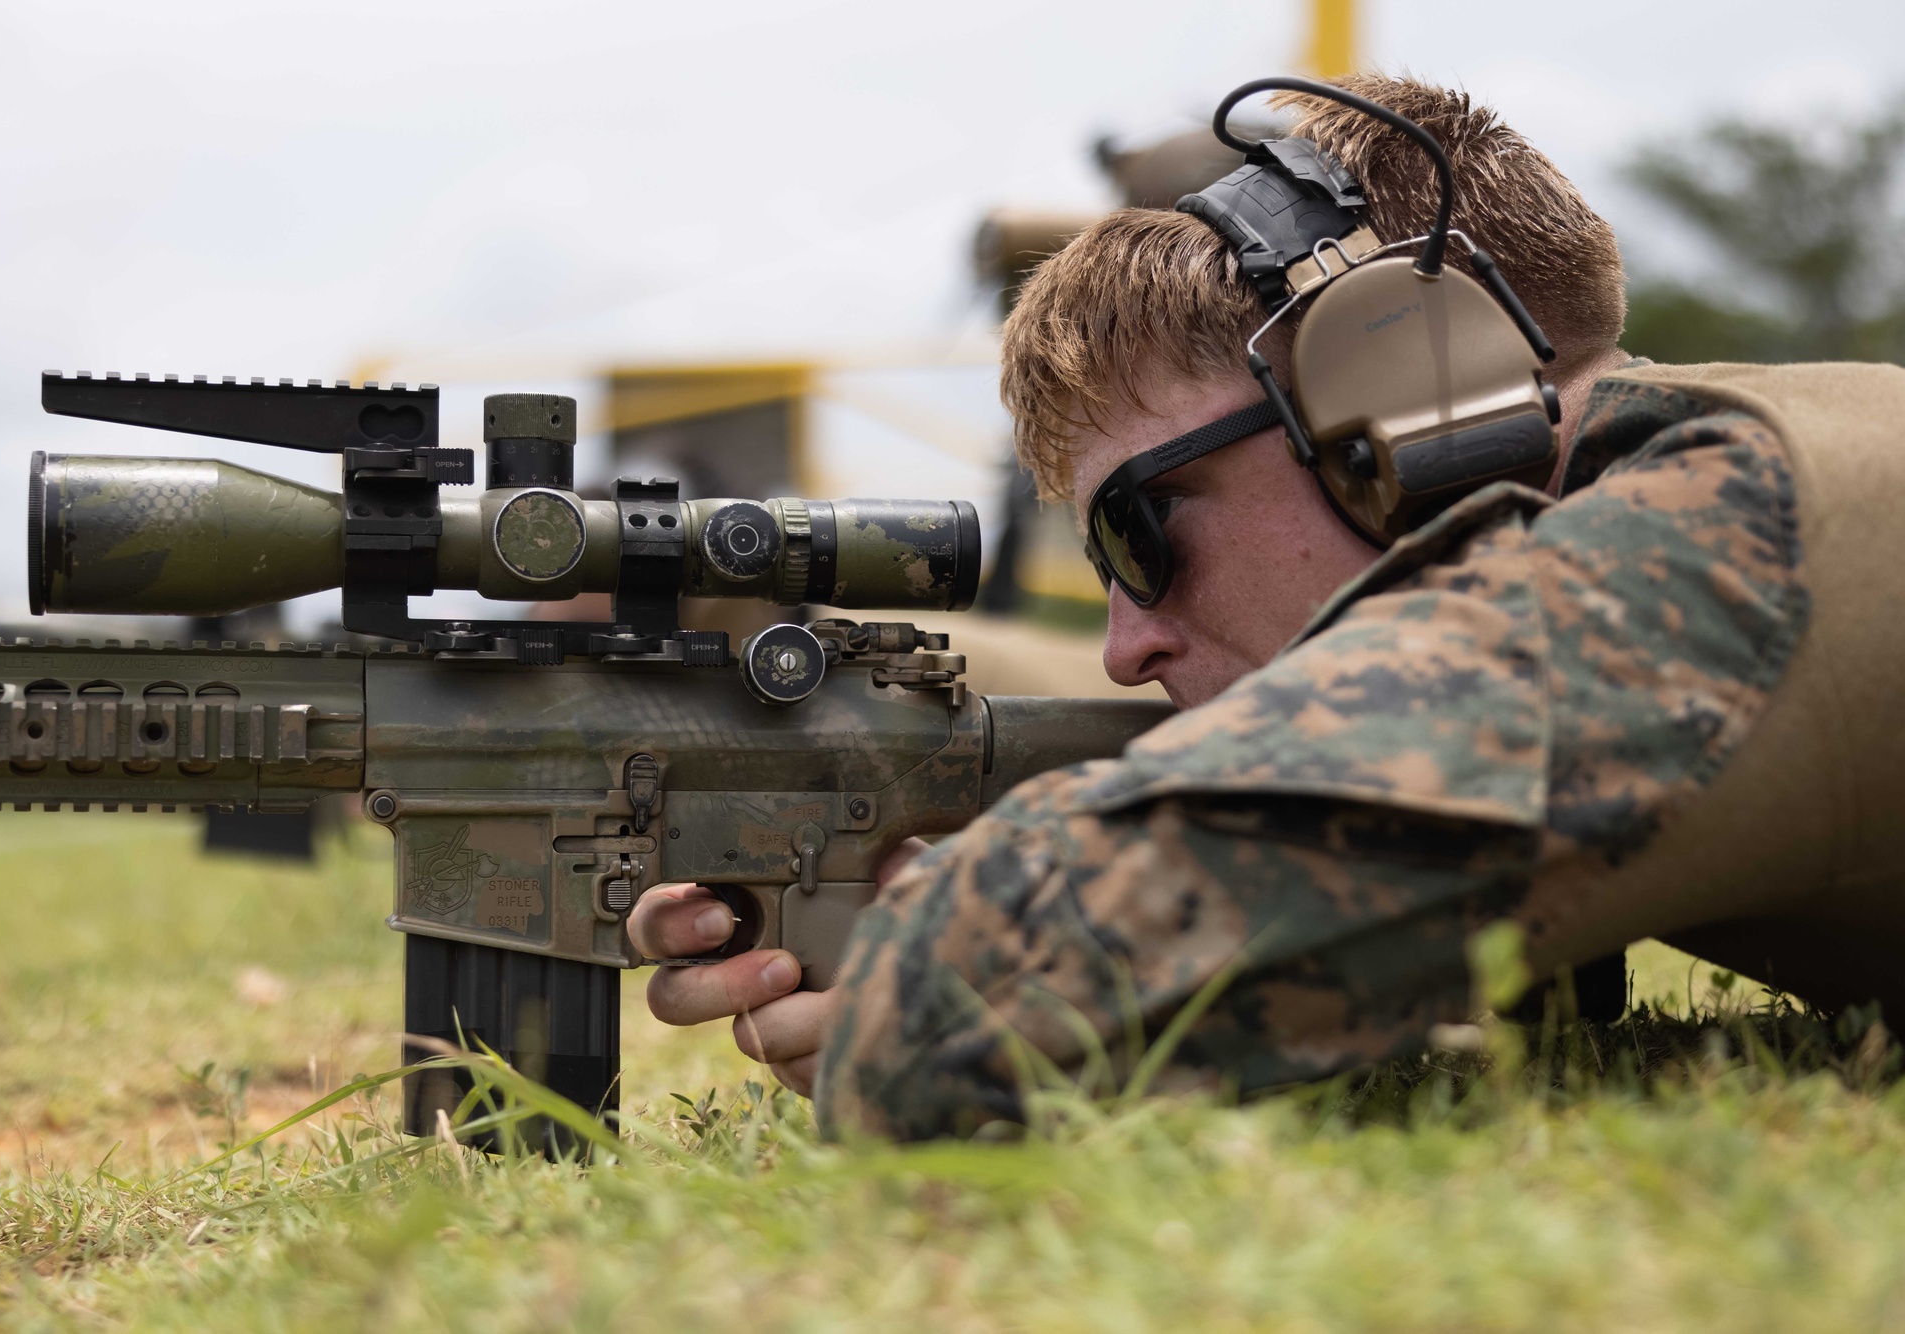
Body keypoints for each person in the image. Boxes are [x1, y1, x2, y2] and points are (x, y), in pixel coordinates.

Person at [627, 74, 1905, 1140]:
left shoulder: (1734, 524)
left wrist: (913, 957)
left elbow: (965, 1011)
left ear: (1400, 406)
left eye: (1139, 532)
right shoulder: (1745, 484)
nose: (1125, 645)